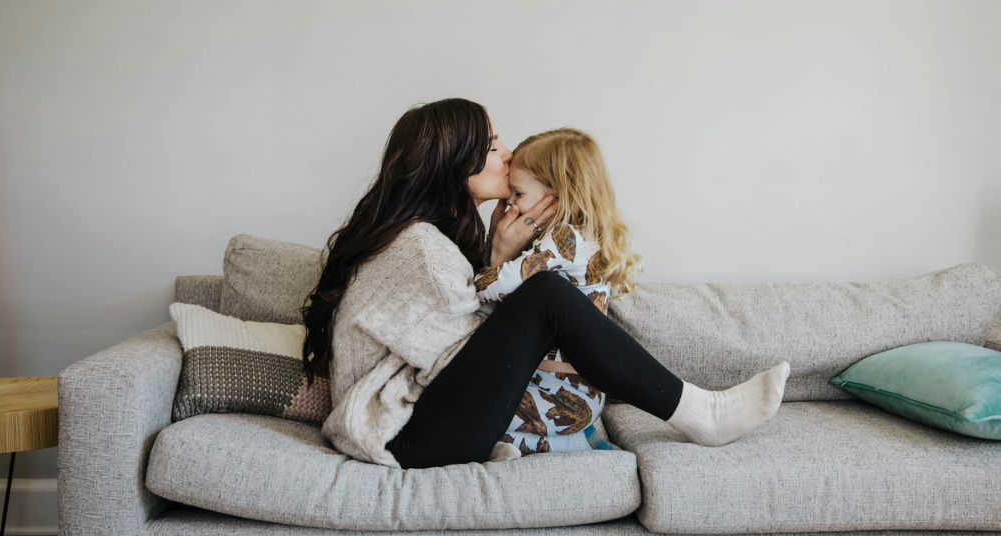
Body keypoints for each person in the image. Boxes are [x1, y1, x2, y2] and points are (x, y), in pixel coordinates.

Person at [302, 98, 790, 470]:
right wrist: (501, 262)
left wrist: (496, 257)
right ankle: (703, 413)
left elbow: (478, 350)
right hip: (403, 436)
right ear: (454, 161)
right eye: (493, 145)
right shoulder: (421, 249)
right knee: (548, 293)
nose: (509, 153)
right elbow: (457, 352)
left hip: (426, 425)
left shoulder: (432, 238)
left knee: (545, 291)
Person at [472, 127, 633, 458]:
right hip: (571, 389)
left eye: (517, 194)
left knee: (473, 418)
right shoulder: (582, 238)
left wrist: (491, 258)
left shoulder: (564, 241)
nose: (509, 204)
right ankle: (577, 441)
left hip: (560, 392)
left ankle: (573, 443)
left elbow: (493, 288)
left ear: (555, 198)